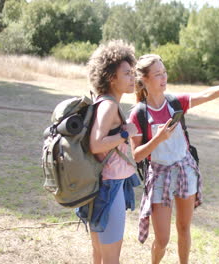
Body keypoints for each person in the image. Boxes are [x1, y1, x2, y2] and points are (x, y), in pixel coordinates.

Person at [129, 54, 219, 264]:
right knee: (162, 239)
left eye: (164, 72)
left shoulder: (175, 103)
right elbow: (137, 155)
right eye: (158, 74)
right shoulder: (138, 114)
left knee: (184, 228)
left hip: (185, 168)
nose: (164, 77)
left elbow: (205, 94)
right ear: (144, 80)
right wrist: (158, 139)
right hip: (160, 175)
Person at [78, 40, 140, 264]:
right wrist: (125, 134)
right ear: (111, 77)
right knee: (111, 258)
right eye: (127, 73)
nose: (133, 78)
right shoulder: (109, 105)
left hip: (101, 184)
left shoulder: (101, 102)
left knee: (99, 255)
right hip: (109, 187)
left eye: (133, 73)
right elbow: (96, 144)